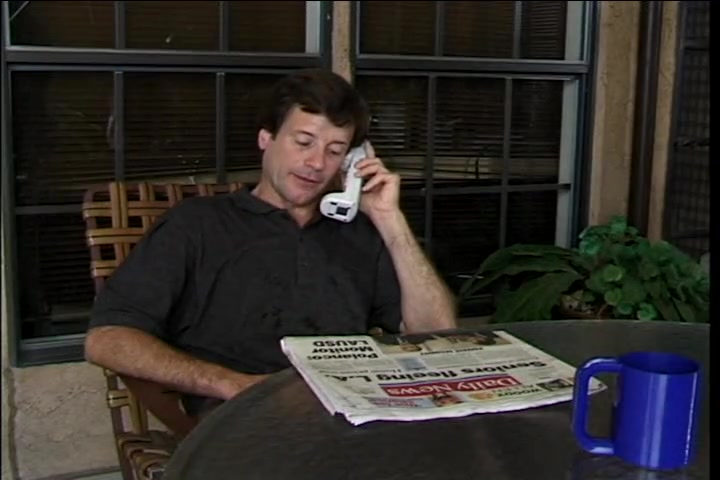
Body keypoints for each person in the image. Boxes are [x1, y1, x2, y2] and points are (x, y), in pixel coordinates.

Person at [84, 68, 457, 419]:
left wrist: (389, 219)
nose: (316, 163)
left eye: (335, 150)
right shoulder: (197, 224)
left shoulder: (359, 232)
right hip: (246, 420)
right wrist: (228, 383)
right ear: (266, 138)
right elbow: (106, 339)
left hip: (351, 416)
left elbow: (437, 334)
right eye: (304, 142)